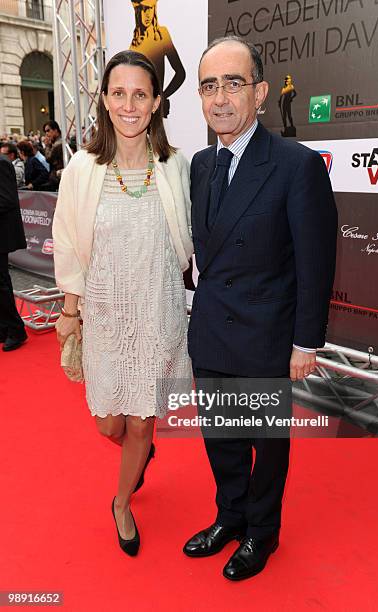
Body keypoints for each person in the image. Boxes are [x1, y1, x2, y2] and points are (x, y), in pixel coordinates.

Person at [184, 37, 338, 580]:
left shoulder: (296, 166)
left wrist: (305, 343)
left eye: (233, 83)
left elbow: (316, 260)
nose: (220, 97)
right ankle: (229, 515)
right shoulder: (201, 164)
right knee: (220, 437)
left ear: (261, 93)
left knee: (266, 448)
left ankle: (262, 532)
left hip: (267, 334)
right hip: (211, 331)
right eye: (208, 86)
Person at [52, 50, 193, 556]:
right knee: (109, 424)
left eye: (140, 94)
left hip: (157, 315)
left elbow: (192, 238)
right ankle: (140, 452)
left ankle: (121, 502)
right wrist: (71, 311)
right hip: (107, 319)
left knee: (139, 419)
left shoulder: (175, 167)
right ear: (105, 102)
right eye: (118, 93)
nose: (129, 104)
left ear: (156, 102)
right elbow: (68, 242)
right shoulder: (83, 169)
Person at [129, 0, 185, 117]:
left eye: (150, 9)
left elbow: (180, 73)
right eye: (144, 9)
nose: (147, 14)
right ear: (138, 12)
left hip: (157, 113)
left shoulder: (161, 35)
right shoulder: (134, 45)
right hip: (139, 114)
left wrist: (163, 96)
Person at [0, 154, 28, 352]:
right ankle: (4, 328)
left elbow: (7, 199)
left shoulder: (1, 163)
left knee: (1, 284)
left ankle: (16, 330)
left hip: (2, 234)